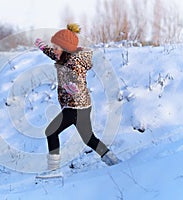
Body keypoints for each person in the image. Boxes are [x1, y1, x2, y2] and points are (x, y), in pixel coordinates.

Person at [35, 24, 121, 173]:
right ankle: (114, 161)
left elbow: (78, 80)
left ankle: (53, 170)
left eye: (56, 48)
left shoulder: (73, 63)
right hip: (81, 106)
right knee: (88, 138)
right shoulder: (63, 56)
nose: (54, 51)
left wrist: (74, 89)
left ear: (66, 49)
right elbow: (54, 53)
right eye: (53, 47)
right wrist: (43, 48)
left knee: (51, 132)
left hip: (75, 106)